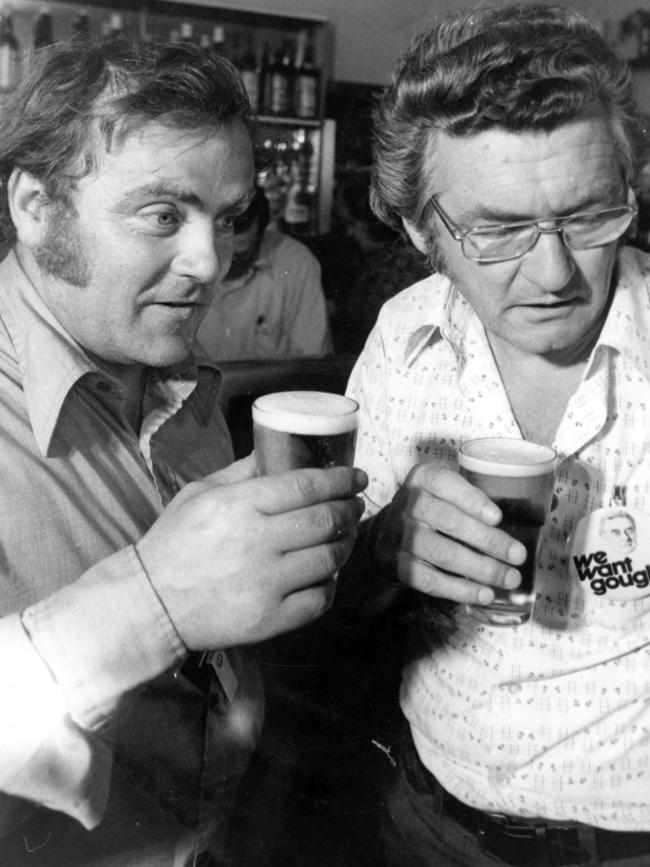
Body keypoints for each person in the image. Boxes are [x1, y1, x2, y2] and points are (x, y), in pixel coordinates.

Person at [0, 36, 366, 867]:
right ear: (34, 204)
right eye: (163, 214)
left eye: (228, 218)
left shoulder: (178, 377)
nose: (210, 262)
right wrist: (155, 599)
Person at [342, 5, 650, 866]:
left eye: (589, 216)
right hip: (427, 823)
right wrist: (380, 548)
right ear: (420, 232)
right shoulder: (403, 340)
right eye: (501, 231)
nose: (553, 274)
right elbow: (339, 599)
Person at [196, 185, 332, 360]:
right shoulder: (180, 264)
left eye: (240, 256)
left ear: (262, 235)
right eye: (220, 253)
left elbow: (315, 361)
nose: (228, 263)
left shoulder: (295, 262)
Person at [317, 170, 429, 355]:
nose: (350, 233)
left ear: (375, 221)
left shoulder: (400, 269)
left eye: (352, 224)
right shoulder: (377, 256)